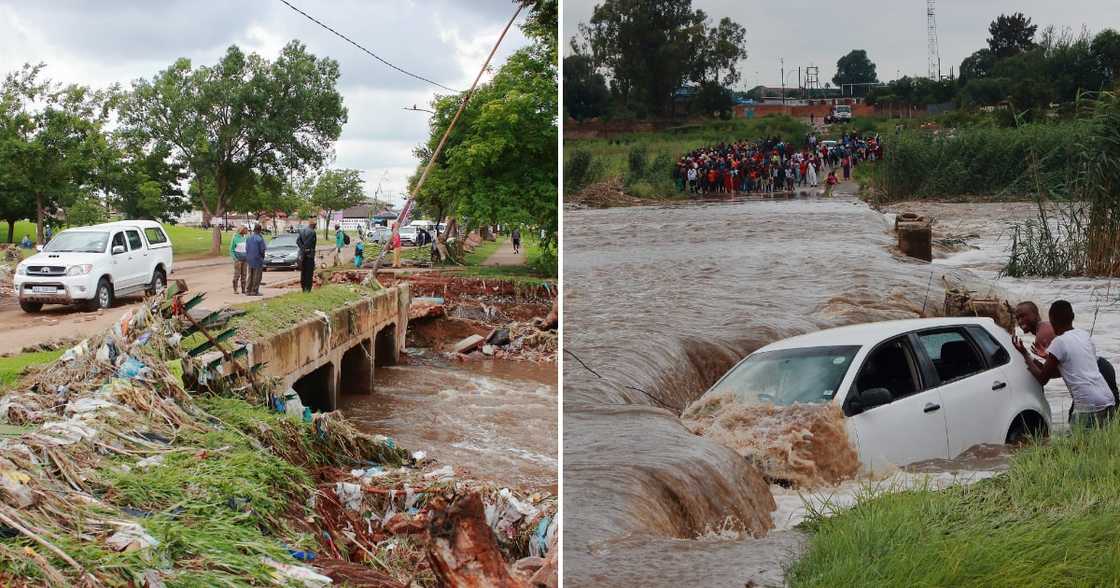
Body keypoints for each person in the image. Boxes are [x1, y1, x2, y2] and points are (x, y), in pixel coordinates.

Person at [1012, 300, 1116, 429]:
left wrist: (1025, 354)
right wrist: (1045, 359)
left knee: (1078, 442)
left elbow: (1044, 378)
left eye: (1023, 316)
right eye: (1017, 318)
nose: (1020, 320)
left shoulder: (1051, 339)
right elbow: (1072, 364)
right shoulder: (1082, 334)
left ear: (1050, 320)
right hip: (1105, 392)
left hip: (1091, 393)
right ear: (1072, 317)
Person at [244, 225, 266, 296]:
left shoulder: (248, 238)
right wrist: (262, 257)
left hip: (249, 258)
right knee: (257, 276)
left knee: (250, 275)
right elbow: (262, 250)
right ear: (260, 230)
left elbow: (246, 248)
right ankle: (254, 291)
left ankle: (248, 290)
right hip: (258, 259)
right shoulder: (260, 239)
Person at [296, 220, 317, 293]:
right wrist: (306, 249)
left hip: (302, 255)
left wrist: (302, 249)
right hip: (309, 255)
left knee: (303, 272)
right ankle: (308, 289)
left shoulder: (302, 231)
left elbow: (298, 241)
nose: (315, 227)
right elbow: (310, 243)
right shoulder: (312, 232)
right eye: (315, 225)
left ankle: (303, 288)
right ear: (313, 225)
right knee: (309, 273)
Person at [230, 226, 249, 294]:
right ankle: (235, 289)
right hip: (238, 260)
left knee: (244, 275)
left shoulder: (245, 238)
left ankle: (243, 289)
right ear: (242, 230)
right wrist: (235, 259)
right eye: (245, 230)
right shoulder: (235, 238)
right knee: (237, 274)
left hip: (245, 259)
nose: (247, 232)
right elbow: (231, 250)